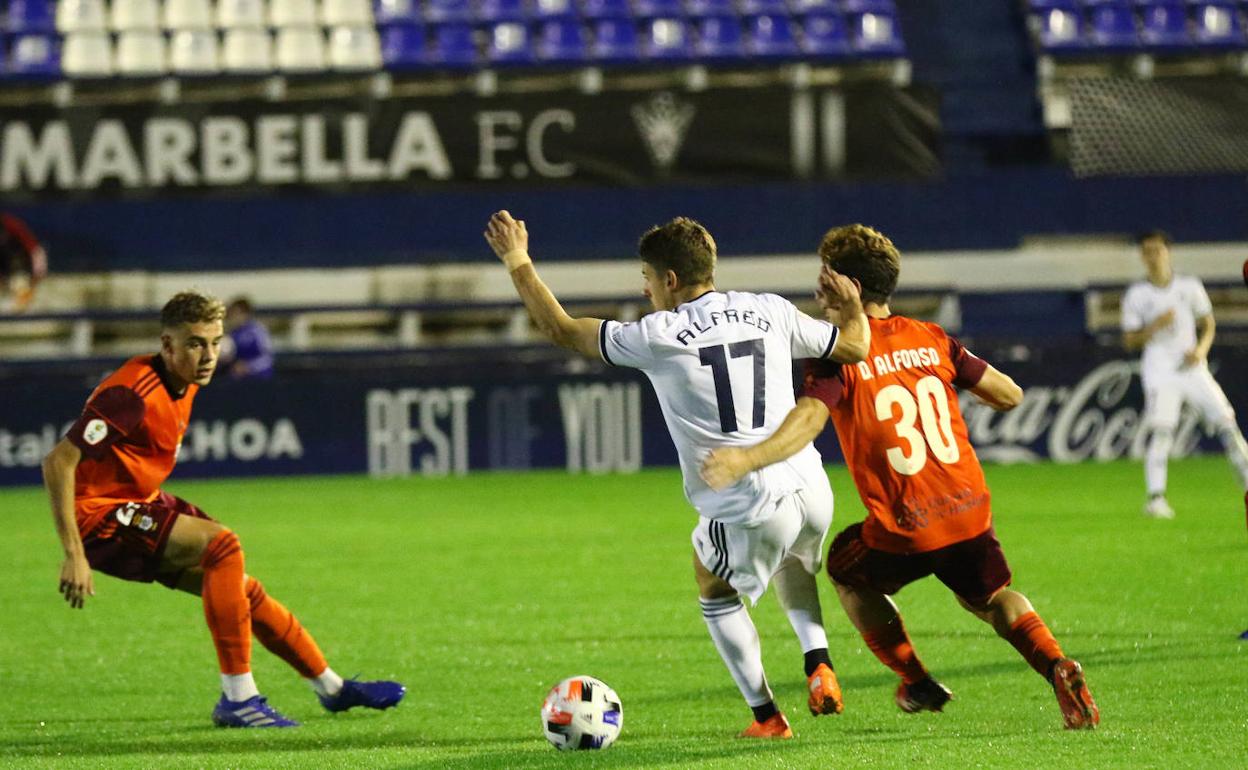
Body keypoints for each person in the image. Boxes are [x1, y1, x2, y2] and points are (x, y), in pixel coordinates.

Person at [483, 211, 870, 738]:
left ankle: (767, 718)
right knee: (790, 559)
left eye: (646, 279)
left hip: (747, 498)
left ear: (669, 279)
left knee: (712, 586)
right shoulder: (770, 309)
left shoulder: (659, 334)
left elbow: (560, 329)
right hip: (811, 485)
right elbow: (854, 348)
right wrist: (852, 310)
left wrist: (517, 259)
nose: (644, 291)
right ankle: (818, 661)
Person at [700, 224, 1099, 730]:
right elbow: (1009, 394)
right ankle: (1057, 664)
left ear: (850, 288)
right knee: (993, 599)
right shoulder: (931, 337)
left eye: (826, 280)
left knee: (845, 571)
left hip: (907, 523)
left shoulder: (837, 357)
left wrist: (749, 458)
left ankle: (914, 679)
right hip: (969, 509)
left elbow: (810, 421)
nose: (819, 289)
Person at [41, 291, 404, 728]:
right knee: (223, 546)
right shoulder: (131, 393)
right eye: (195, 343)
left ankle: (332, 688)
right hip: (98, 516)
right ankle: (239, 698)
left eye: (215, 342)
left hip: (137, 503)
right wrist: (74, 554)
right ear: (167, 345)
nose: (208, 355)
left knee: (239, 591)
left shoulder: (186, 380)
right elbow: (58, 461)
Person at [1120, 230, 1248, 522]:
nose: (1153, 257)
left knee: (1227, 424)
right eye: (1147, 251)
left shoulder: (1189, 286)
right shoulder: (1137, 294)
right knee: (1162, 431)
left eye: (1157, 250)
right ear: (1142, 256)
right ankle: (1156, 499)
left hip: (1193, 369)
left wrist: (1201, 350)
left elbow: (1208, 323)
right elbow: (1129, 341)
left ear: (1168, 252)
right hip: (1159, 370)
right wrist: (1154, 326)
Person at [0, 212, 47, 313]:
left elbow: (35, 249)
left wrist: (37, 273)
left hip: (22, 269)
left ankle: (20, 302)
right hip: (6, 269)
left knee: (20, 284)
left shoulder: (11, 225)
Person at [222, 296, 275, 380]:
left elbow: (267, 358)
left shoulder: (257, 330)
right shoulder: (230, 334)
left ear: (245, 314)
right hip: (238, 381)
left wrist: (249, 367)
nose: (233, 317)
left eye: (236, 313)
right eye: (231, 314)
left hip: (261, 379)